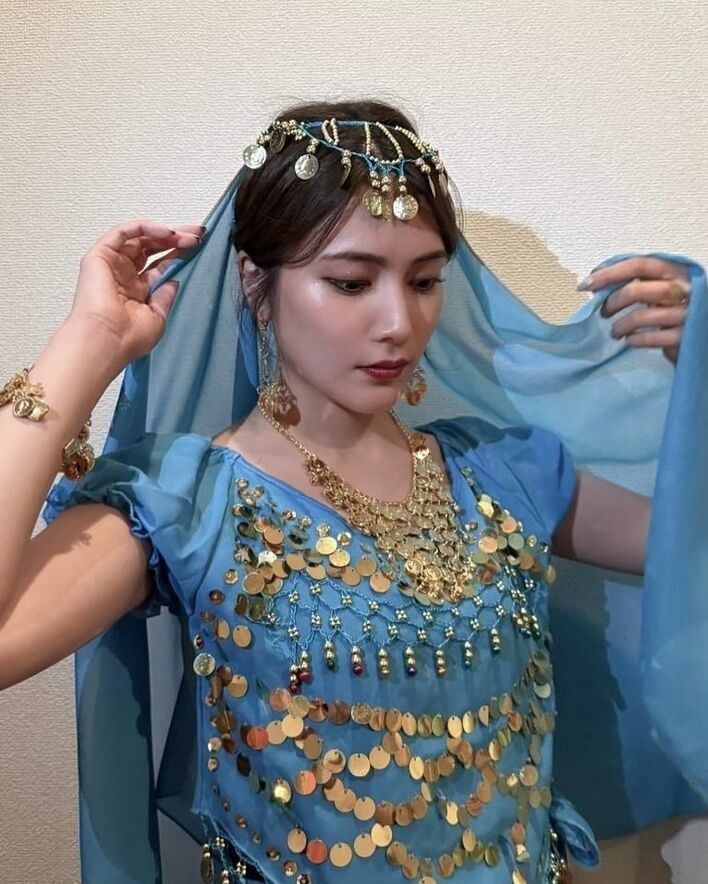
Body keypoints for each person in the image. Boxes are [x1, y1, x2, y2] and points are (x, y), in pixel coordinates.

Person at [0, 99, 705, 884]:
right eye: (350, 282)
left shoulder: (502, 476)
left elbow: (696, 553)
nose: (399, 321)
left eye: (425, 280)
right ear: (255, 280)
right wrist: (88, 343)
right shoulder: (189, 502)